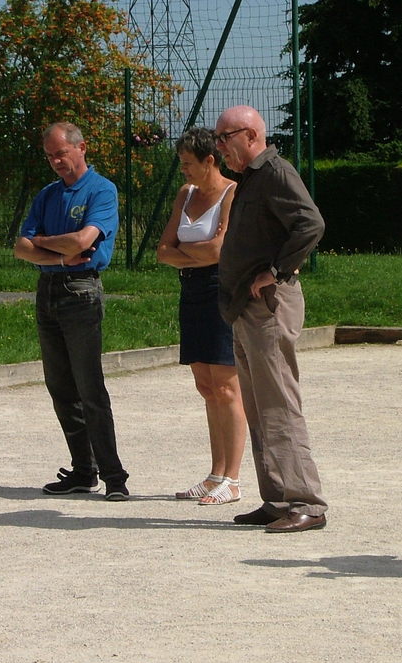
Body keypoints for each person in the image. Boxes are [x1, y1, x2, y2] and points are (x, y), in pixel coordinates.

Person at [213, 105, 328, 533]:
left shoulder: (276, 171)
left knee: (279, 402)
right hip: (247, 305)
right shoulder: (251, 178)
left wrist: (276, 270)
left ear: (251, 135)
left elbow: (311, 224)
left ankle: (306, 503)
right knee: (258, 405)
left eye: (225, 137)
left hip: (269, 304)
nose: (219, 145)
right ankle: (277, 498)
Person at [13, 122, 130, 501]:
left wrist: (43, 244)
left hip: (82, 292)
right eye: (49, 156)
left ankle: (114, 477)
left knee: (89, 385)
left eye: (61, 153)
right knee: (60, 386)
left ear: (82, 148)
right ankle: (83, 471)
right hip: (48, 288)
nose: (56, 162)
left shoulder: (102, 190)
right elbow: (20, 248)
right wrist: (59, 255)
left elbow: (84, 240)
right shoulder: (47, 195)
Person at [157, 128, 246, 505]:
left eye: (189, 164)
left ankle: (235, 479)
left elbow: (220, 252)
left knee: (226, 386)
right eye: (181, 164)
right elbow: (163, 250)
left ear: (210, 160)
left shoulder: (232, 191)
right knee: (205, 386)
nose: (184, 171)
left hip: (219, 291)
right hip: (190, 290)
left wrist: (188, 251)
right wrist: (198, 252)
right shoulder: (185, 194)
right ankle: (215, 473)